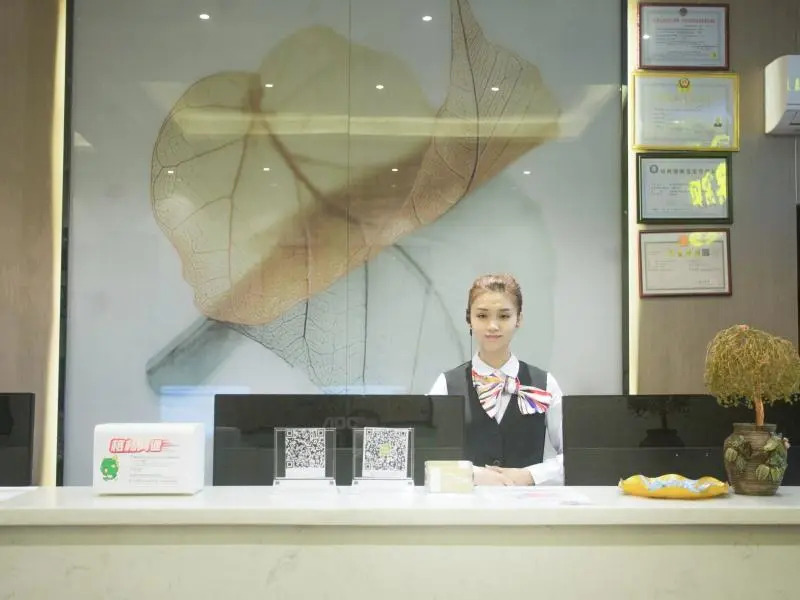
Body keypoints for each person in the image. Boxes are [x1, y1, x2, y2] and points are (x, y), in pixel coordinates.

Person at [429, 273, 563, 486]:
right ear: (469, 319)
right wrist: (472, 475)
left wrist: (531, 475)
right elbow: (427, 458)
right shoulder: (446, 385)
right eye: (482, 316)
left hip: (528, 505)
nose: (492, 325)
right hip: (466, 505)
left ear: (518, 319)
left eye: (504, 316)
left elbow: (574, 456)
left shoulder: (545, 384)